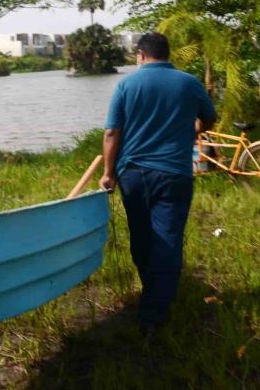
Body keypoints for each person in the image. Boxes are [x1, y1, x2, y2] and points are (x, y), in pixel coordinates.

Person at [100, 32, 216, 333]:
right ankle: (155, 309)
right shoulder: (189, 83)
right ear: (168, 53)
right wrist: (194, 129)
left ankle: (152, 293)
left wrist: (109, 173)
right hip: (174, 174)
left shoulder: (126, 84)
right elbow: (210, 117)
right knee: (167, 238)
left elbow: (112, 133)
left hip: (133, 174)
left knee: (141, 236)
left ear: (140, 55)